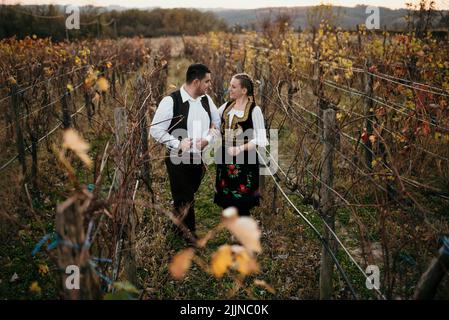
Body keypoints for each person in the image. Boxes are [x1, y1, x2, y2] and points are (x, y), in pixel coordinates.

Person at [150, 63, 220, 241]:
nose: (209, 85)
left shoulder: (206, 100)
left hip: (199, 158)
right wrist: (178, 143)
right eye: (207, 81)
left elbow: (216, 125)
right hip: (177, 158)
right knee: (186, 197)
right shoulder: (171, 101)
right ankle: (190, 237)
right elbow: (155, 130)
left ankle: (175, 225)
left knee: (187, 193)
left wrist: (208, 140)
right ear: (196, 81)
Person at [214, 73, 269, 216]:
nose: (229, 89)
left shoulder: (254, 110)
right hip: (225, 158)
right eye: (230, 86)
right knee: (226, 196)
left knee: (243, 198)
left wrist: (239, 148)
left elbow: (260, 139)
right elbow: (214, 123)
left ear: (244, 90)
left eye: (233, 87)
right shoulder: (226, 107)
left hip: (245, 160)